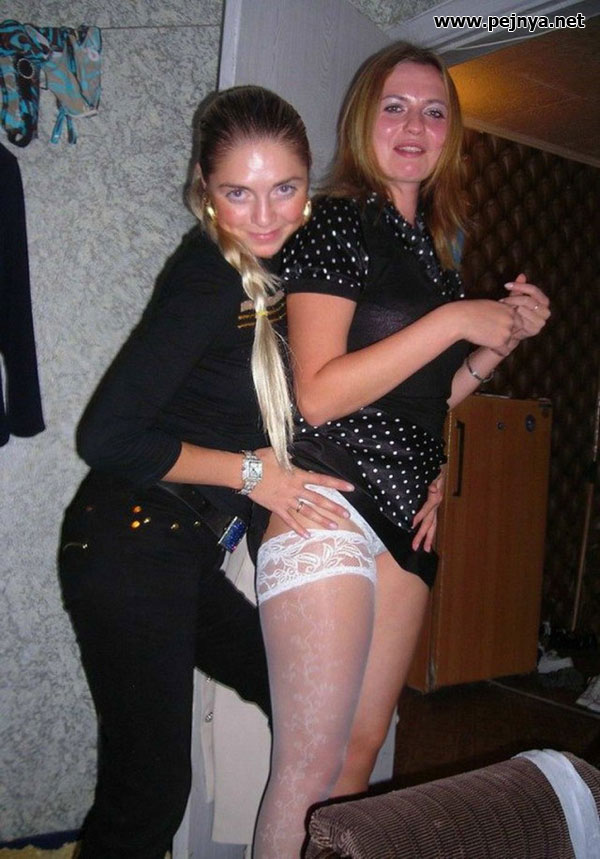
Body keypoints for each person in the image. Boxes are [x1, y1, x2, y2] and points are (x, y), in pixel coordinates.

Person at [252, 42, 551, 858]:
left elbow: (427, 395)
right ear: (363, 120)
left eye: (434, 110)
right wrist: (455, 321)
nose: (414, 124)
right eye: (395, 105)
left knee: (359, 756)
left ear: (451, 134)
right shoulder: (337, 222)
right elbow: (319, 393)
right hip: (332, 500)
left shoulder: (434, 254)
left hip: (407, 522)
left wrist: (496, 344)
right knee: (309, 771)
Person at [58, 85, 355, 859]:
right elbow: (106, 434)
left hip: (177, 550)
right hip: (127, 541)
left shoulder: (288, 272)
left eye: (284, 188)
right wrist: (256, 475)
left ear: (309, 183)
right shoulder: (210, 273)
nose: (264, 214)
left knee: (295, 696)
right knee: (152, 788)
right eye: (238, 192)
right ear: (204, 187)